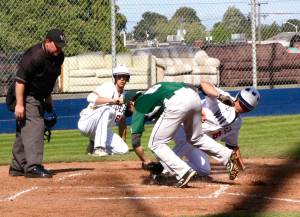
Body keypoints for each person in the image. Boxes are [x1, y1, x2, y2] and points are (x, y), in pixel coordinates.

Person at [125, 81, 240, 188]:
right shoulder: (156, 89)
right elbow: (189, 87)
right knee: (196, 137)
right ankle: (227, 155)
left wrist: (146, 161)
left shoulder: (139, 104)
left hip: (176, 102)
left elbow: (135, 141)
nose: (132, 113)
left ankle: (183, 171)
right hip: (193, 97)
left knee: (155, 144)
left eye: (129, 110)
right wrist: (198, 110)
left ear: (131, 102)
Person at [9, 28, 66, 178]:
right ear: (47, 42)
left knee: (24, 129)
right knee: (36, 124)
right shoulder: (35, 56)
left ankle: (17, 166)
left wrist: (48, 100)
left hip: (39, 94)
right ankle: (33, 166)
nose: (59, 49)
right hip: (24, 94)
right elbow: (20, 81)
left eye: (61, 46)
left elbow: (49, 79)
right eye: (57, 45)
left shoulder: (58, 57)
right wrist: (20, 104)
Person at [171, 87, 260, 176]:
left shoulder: (236, 123)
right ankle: (163, 167)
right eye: (241, 103)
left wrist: (242, 167)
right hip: (184, 125)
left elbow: (232, 146)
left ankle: (169, 166)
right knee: (190, 142)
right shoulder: (224, 98)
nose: (241, 108)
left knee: (204, 170)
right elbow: (203, 84)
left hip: (198, 141)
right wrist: (219, 96)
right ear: (237, 97)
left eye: (246, 108)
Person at [78, 65, 130, 156]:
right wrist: (112, 101)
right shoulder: (108, 87)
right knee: (107, 110)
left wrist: (123, 141)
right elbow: (90, 97)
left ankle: (94, 143)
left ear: (127, 79)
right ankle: (99, 148)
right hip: (87, 123)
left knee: (124, 150)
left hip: (102, 130)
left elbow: (122, 121)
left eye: (124, 77)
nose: (122, 79)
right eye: (119, 76)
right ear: (114, 78)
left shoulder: (125, 97)